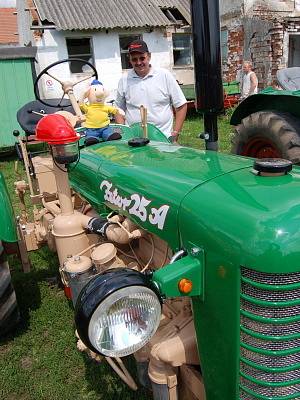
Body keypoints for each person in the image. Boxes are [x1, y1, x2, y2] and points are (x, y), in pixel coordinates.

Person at [115, 40, 187, 142]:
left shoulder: (164, 76)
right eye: (134, 59)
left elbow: (181, 106)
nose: (139, 62)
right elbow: (118, 109)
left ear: (149, 56)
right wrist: (124, 135)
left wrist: (175, 135)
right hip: (135, 141)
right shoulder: (124, 79)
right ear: (129, 60)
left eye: (142, 58)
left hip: (163, 140)